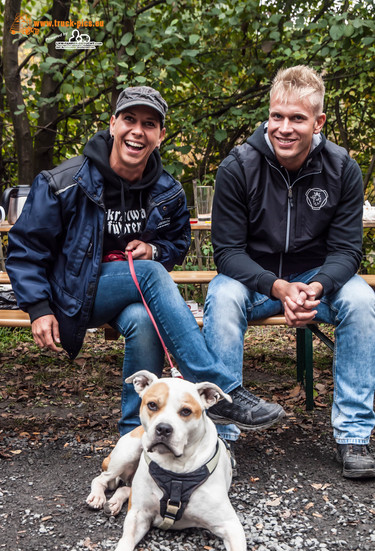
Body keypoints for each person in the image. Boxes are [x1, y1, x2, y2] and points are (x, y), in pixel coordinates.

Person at [6, 85, 285, 441]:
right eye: (129, 119)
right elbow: (25, 248)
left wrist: (154, 251)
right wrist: (38, 307)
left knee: (144, 318)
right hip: (71, 294)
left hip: (128, 294)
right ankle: (220, 389)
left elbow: (178, 243)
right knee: (151, 275)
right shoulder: (64, 183)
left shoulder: (166, 190)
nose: (138, 130)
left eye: (149, 124)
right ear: (112, 124)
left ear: (160, 135)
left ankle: (134, 437)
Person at [203, 66, 375, 479]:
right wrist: (277, 287)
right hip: (254, 281)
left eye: (297, 118)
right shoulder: (237, 167)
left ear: (318, 123)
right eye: (277, 116)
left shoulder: (342, 169)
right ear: (268, 115)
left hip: (318, 277)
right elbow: (227, 252)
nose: (284, 128)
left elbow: (348, 250)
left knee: (363, 299)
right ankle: (219, 437)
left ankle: (354, 434)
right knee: (221, 296)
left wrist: (315, 287)